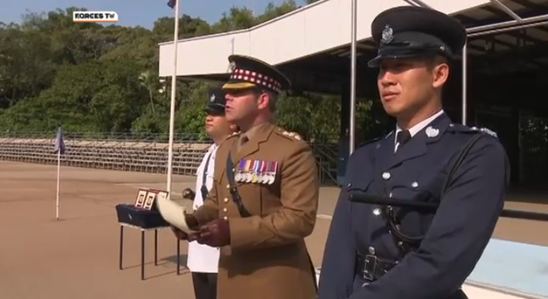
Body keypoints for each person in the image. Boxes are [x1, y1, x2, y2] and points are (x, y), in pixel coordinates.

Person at [318, 6, 508, 299]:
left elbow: (442, 264)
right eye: (383, 67)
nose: (386, 78)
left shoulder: (474, 154)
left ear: (439, 74)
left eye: (401, 65)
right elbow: (339, 256)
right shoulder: (366, 156)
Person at [172, 54, 320, 299]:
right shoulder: (227, 149)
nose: (227, 97)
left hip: (276, 282)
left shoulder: (291, 149)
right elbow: (216, 203)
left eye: (238, 93)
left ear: (262, 100)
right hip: (232, 278)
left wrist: (232, 232)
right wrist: (192, 221)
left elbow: (300, 219)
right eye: (228, 91)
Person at [185, 87, 238, 299]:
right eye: (209, 113)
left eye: (217, 113)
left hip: (219, 251)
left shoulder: (235, 151)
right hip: (200, 250)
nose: (209, 118)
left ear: (232, 121)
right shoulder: (211, 151)